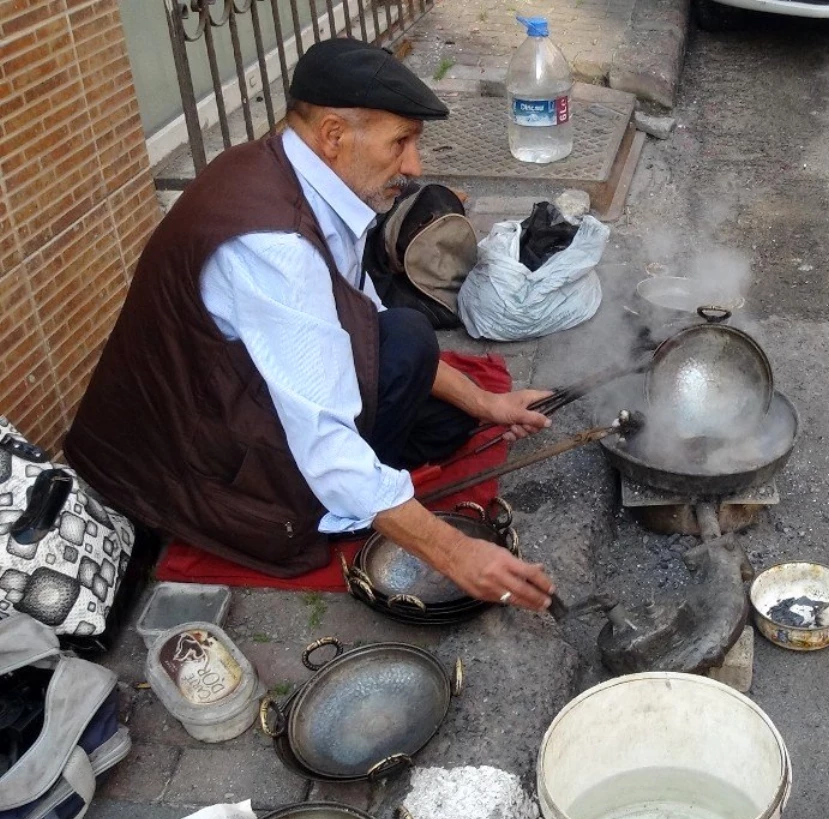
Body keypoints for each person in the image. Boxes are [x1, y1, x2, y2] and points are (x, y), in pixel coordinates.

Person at [64, 38, 555, 611]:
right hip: (204, 461)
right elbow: (323, 439)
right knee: (404, 363)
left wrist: (487, 404)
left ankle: (373, 484)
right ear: (333, 136)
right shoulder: (276, 247)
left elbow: (366, 317)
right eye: (401, 142)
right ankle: (332, 512)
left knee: (431, 388)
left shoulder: (303, 173)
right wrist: (453, 553)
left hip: (246, 394)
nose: (415, 167)